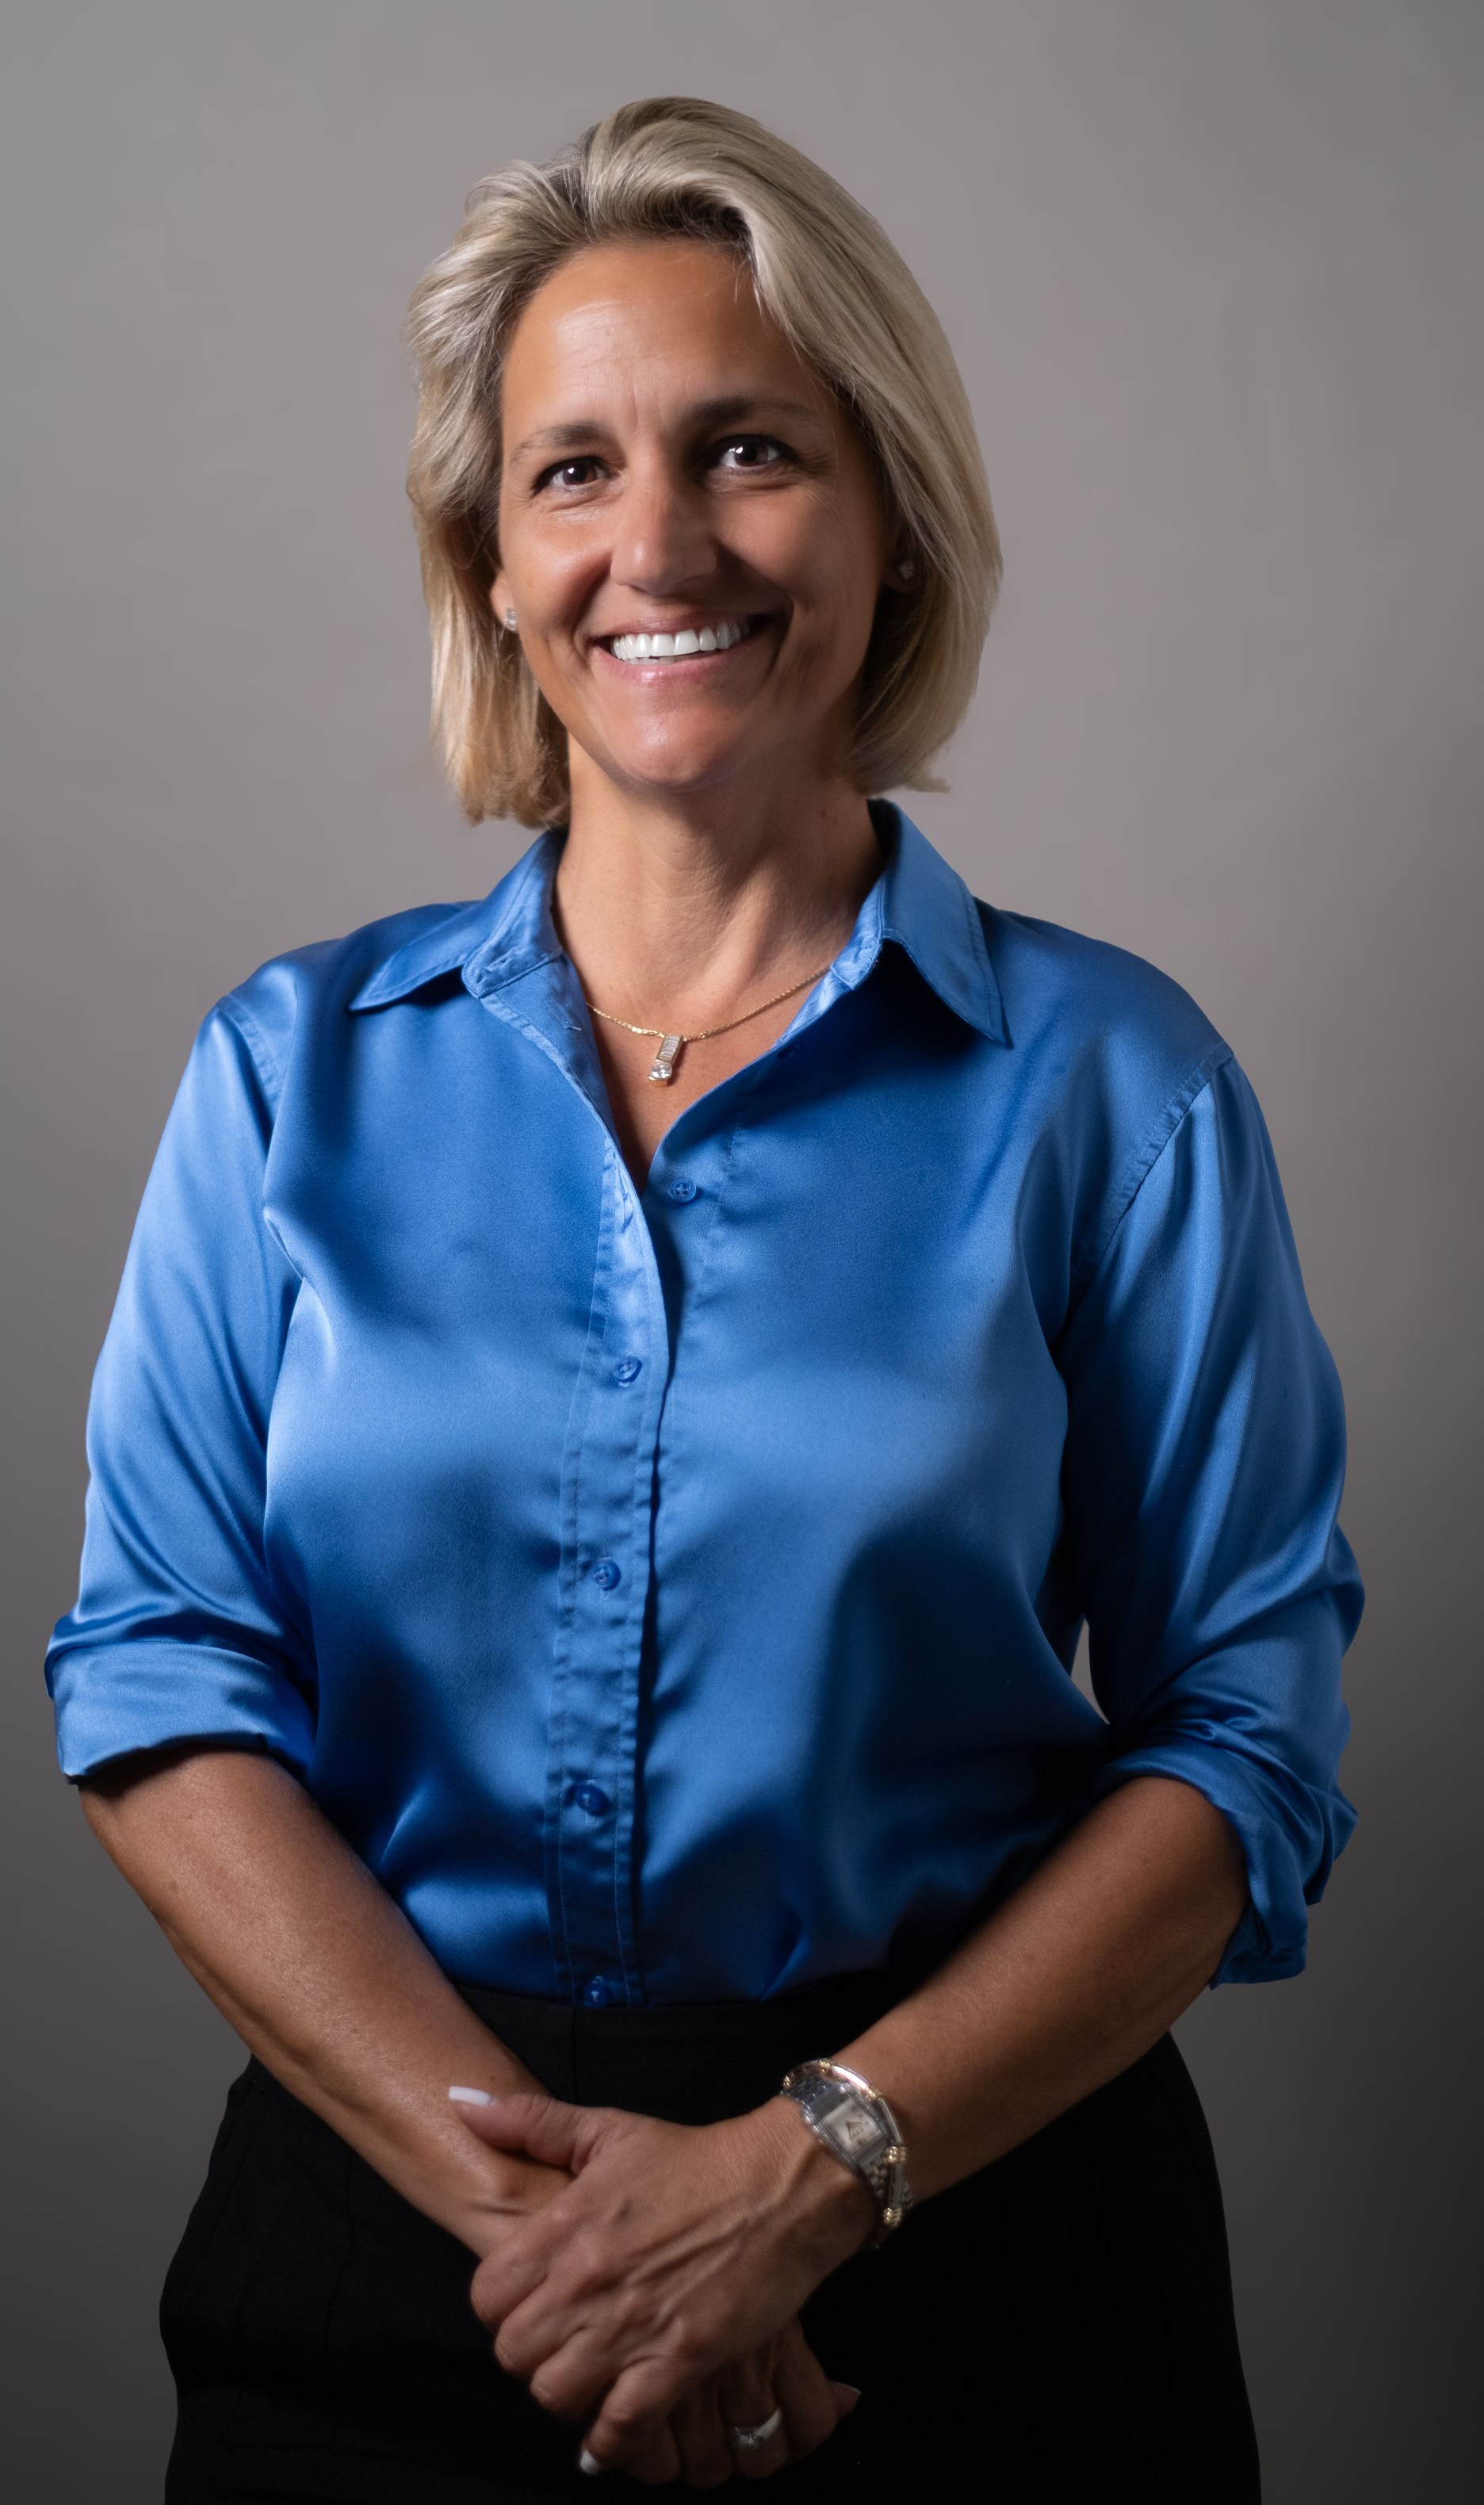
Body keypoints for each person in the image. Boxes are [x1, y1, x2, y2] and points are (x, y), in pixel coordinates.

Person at [46, 94, 1364, 2503]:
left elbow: (1245, 1735)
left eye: (749, 450)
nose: (658, 543)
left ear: (882, 518)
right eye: (572, 472)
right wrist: (580, 2245)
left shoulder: (1112, 1087)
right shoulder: (284, 1080)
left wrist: (797, 2182)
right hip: (397, 2277)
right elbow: (155, 1679)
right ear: (492, 555)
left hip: (970, 2271)